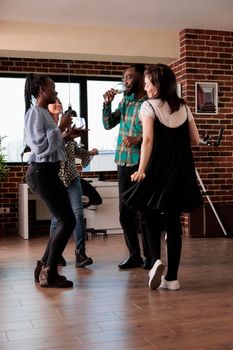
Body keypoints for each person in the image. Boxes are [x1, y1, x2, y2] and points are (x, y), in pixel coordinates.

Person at [123, 64, 203, 290]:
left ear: (158, 85)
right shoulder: (184, 106)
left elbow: (147, 140)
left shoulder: (148, 106)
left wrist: (141, 169)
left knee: (147, 212)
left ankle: (155, 260)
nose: (146, 87)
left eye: (148, 83)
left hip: (158, 167)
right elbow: (195, 140)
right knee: (173, 221)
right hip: (181, 169)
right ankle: (172, 278)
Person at [24, 74, 76, 288]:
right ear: (41, 90)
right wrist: (60, 127)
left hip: (49, 172)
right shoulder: (35, 113)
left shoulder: (44, 113)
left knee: (63, 220)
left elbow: (51, 146)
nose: (55, 91)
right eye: (52, 88)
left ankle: (44, 267)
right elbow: (39, 147)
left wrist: (66, 136)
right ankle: (50, 272)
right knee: (67, 221)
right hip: (40, 173)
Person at [102, 64, 152, 270]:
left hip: (142, 164)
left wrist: (138, 138)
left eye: (130, 78)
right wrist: (107, 103)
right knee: (125, 213)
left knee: (146, 212)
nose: (126, 81)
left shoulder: (150, 104)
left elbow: (155, 134)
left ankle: (151, 257)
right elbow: (107, 124)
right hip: (122, 163)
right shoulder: (125, 100)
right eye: (125, 78)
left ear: (141, 80)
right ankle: (134, 256)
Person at [48, 98, 98, 267]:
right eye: (54, 101)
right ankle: (56, 255)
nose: (58, 103)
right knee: (57, 219)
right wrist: (66, 136)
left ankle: (80, 254)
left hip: (72, 176)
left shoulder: (67, 126)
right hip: (56, 178)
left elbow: (73, 150)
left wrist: (89, 153)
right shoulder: (48, 126)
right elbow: (50, 148)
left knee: (78, 214)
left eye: (59, 101)